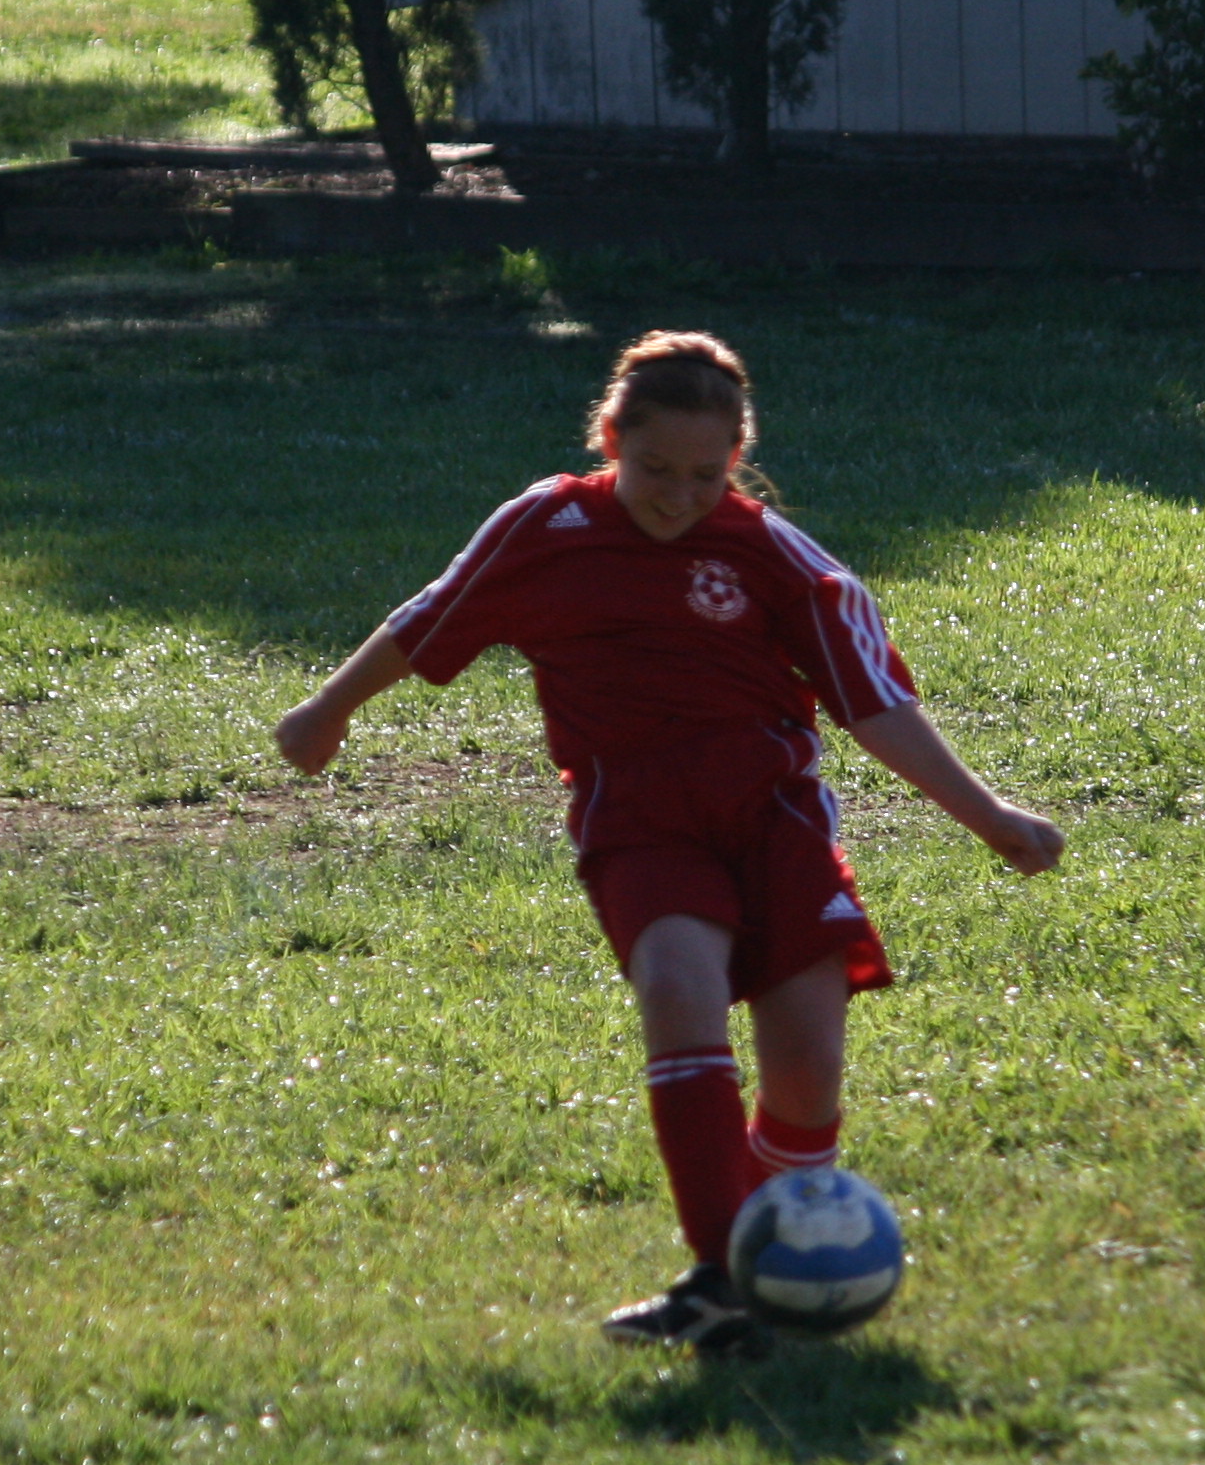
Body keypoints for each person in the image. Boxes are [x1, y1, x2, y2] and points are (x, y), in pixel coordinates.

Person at [275, 330, 1064, 1357]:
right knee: (679, 993)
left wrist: (990, 815)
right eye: (654, 468)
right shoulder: (545, 526)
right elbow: (428, 618)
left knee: (808, 1069)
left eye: (705, 475)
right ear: (610, 438)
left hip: (772, 821)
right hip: (640, 822)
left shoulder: (774, 556)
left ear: (738, 459)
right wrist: (327, 708)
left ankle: (779, 1265)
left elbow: (874, 701)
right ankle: (726, 1277)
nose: (678, 496)